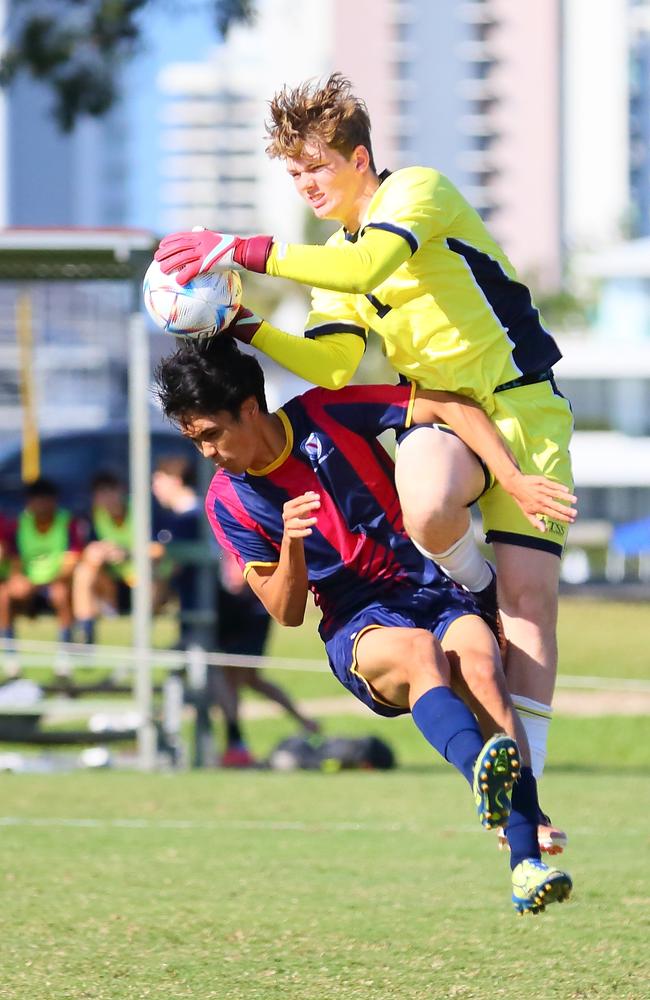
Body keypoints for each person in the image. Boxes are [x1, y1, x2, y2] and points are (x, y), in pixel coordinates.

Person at [154, 73, 576, 851]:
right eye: (294, 175)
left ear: (357, 157)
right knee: (425, 502)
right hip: (443, 413)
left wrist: (239, 248)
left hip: (522, 407)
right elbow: (335, 364)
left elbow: (365, 272)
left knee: (530, 604)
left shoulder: (416, 193)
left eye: (316, 167)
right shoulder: (333, 256)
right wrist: (244, 324)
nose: (307, 185)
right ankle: (467, 588)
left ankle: (529, 794)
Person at [154, 336, 573, 914]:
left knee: (479, 657)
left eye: (210, 434)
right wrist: (291, 544)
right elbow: (285, 609)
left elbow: (449, 405)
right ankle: (484, 773)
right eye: (193, 440)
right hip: (359, 622)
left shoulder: (327, 410)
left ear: (250, 408)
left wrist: (512, 476)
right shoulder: (229, 501)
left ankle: (526, 866)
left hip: (431, 590)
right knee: (422, 654)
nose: (206, 453)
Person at [1, 478, 85, 672]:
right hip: (28, 583)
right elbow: (15, 560)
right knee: (3, 596)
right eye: (36, 500)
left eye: (45, 500)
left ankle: (65, 653)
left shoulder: (67, 523)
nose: (41, 506)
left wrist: (50, 582)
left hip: (56, 582)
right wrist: (18, 578)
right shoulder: (18, 524)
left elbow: (70, 562)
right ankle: (9, 656)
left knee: (60, 593)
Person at [73, 472, 166, 643]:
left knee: (152, 576)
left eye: (110, 491)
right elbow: (85, 552)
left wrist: (127, 553)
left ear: (121, 491)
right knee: (84, 570)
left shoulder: (143, 510)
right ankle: (86, 632)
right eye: (101, 493)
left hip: (142, 582)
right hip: (111, 586)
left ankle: (142, 635)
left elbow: (159, 549)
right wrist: (100, 552)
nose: (107, 498)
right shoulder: (92, 517)